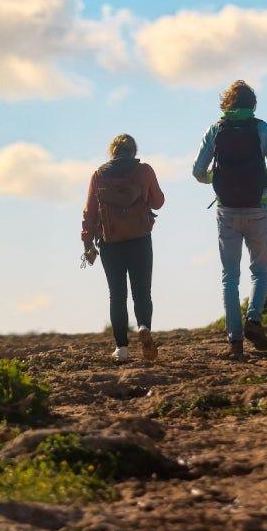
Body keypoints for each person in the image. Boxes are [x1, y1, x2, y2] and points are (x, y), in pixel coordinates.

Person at [192, 79, 267, 358]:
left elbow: (197, 171)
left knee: (229, 277)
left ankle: (235, 341)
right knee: (260, 271)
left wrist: (215, 179)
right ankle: (253, 320)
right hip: (257, 208)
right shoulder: (262, 129)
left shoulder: (215, 129)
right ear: (252, 104)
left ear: (227, 104)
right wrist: (266, 185)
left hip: (227, 211)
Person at [82, 134, 165, 362]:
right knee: (142, 291)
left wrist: (87, 242)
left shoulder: (99, 175)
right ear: (133, 151)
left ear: (112, 151)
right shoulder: (144, 171)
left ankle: (122, 348)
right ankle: (143, 326)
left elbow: (90, 212)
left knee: (117, 295)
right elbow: (158, 202)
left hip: (110, 243)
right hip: (140, 239)